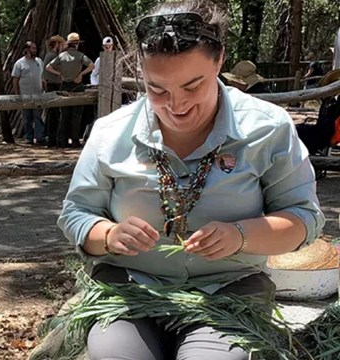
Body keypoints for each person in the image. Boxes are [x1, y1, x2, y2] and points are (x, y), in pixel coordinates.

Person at [57, 1, 325, 359]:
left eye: (193, 86)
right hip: (128, 295)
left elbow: (303, 218)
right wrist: (108, 235)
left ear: (219, 61)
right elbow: (76, 214)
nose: (176, 105)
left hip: (229, 294)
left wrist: (240, 236)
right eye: (157, 90)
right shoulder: (110, 133)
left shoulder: (267, 128)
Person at [46, 32, 95, 148]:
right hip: (77, 87)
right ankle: (75, 140)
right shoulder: (80, 56)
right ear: (77, 44)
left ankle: (62, 141)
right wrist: (80, 75)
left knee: (64, 116)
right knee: (76, 116)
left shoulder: (62, 56)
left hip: (65, 86)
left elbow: (48, 67)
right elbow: (92, 65)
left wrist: (60, 74)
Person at [12, 41, 45, 145]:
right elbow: (15, 79)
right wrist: (17, 94)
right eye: (33, 48)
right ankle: (29, 138)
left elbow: (42, 77)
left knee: (38, 117)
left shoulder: (39, 61)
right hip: (25, 95)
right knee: (27, 118)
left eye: (35, 48)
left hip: (38, 94)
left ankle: (40, 138)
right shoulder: (19, 63)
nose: (35, 50)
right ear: (27, 49)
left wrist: (44, 90)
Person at [43, 35, 67, 147]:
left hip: (54, 85)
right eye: (60, 44)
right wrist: (60, 74)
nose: (62, 46)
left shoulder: (52, 55)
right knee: (54, 114)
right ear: (56, 44)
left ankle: (53, 139)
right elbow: (48, 68)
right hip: (52, 86)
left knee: (54, 114)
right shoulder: (51, 56)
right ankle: (52, 139)